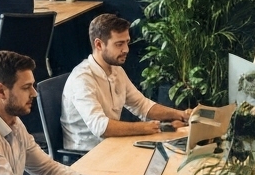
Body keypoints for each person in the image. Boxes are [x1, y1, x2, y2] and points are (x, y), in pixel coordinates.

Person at [61, 13, 192, 154]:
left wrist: (181, 115)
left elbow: (142, 105)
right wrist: (147, 128)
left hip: (112, 145)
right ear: (99, 44)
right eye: (119, 44)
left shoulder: (116, 70)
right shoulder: (82, 79)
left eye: (126, 42)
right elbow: (100, 127)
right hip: (86, 154)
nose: (126, 49)